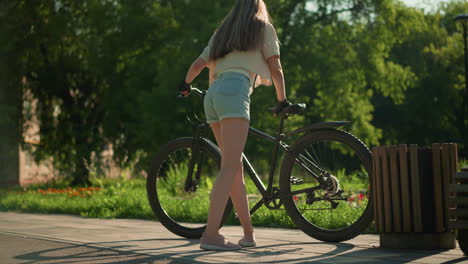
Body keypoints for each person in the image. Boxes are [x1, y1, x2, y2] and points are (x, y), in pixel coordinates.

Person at [179, 0, 291, 251]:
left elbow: (198, 64)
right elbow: (276, 68)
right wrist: (282, 100)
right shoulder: (263, 28)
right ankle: (210, 235)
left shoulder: (222, 33)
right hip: (234, 90)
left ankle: (248, 235)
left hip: (213, 94)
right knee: (229, 166)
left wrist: (185, 84)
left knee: (234, 168)